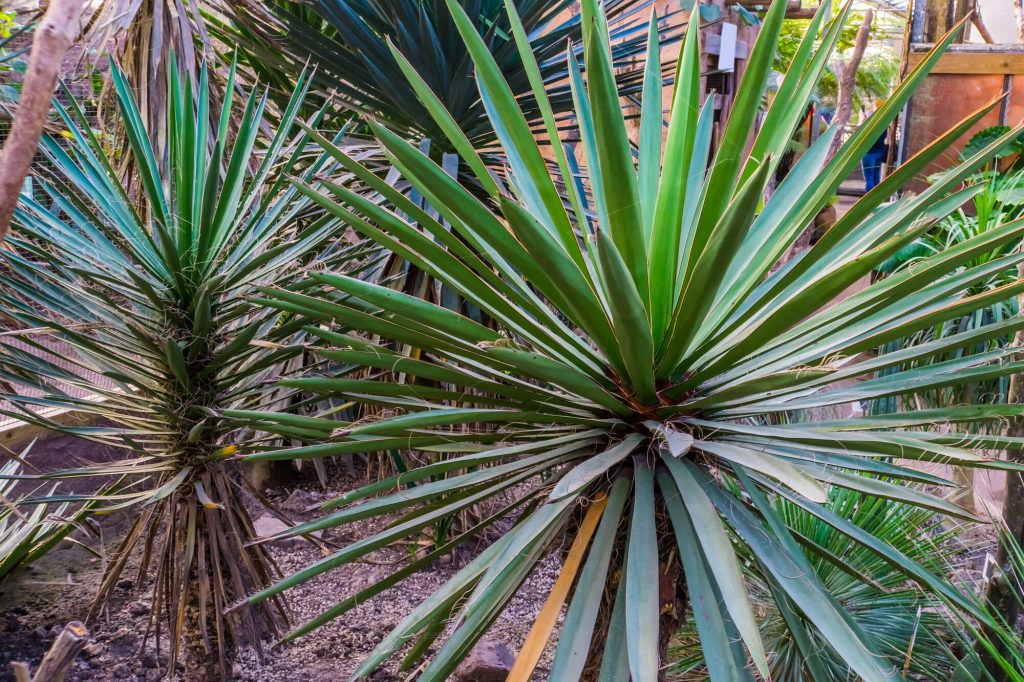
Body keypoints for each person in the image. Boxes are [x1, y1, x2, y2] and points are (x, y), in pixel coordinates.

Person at [861, 99, 888, 192]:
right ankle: (876, 201)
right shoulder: (885, 121)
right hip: (879, 152)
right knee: (876, 178)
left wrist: (863, 123)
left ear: (876, 107)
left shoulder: (872, 122)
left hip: (869, 152)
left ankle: (869, 201)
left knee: (869, 179)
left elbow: (864, 136)